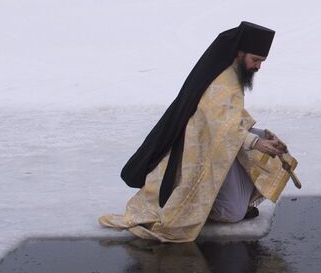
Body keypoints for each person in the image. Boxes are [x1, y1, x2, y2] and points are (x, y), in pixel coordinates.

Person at [100, 22, 295, 243]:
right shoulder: (222, 79)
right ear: (240, 53)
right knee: (233, 213)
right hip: (198, 151)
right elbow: (215, 121)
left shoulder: (232, 73)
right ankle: (204, 208)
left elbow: (228, 116)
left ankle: (224, 200)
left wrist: (261, 135)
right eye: (255, 60)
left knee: (270, 151)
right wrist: (255, 142)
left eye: (261, 61)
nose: (258, 67)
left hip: (218, 142)